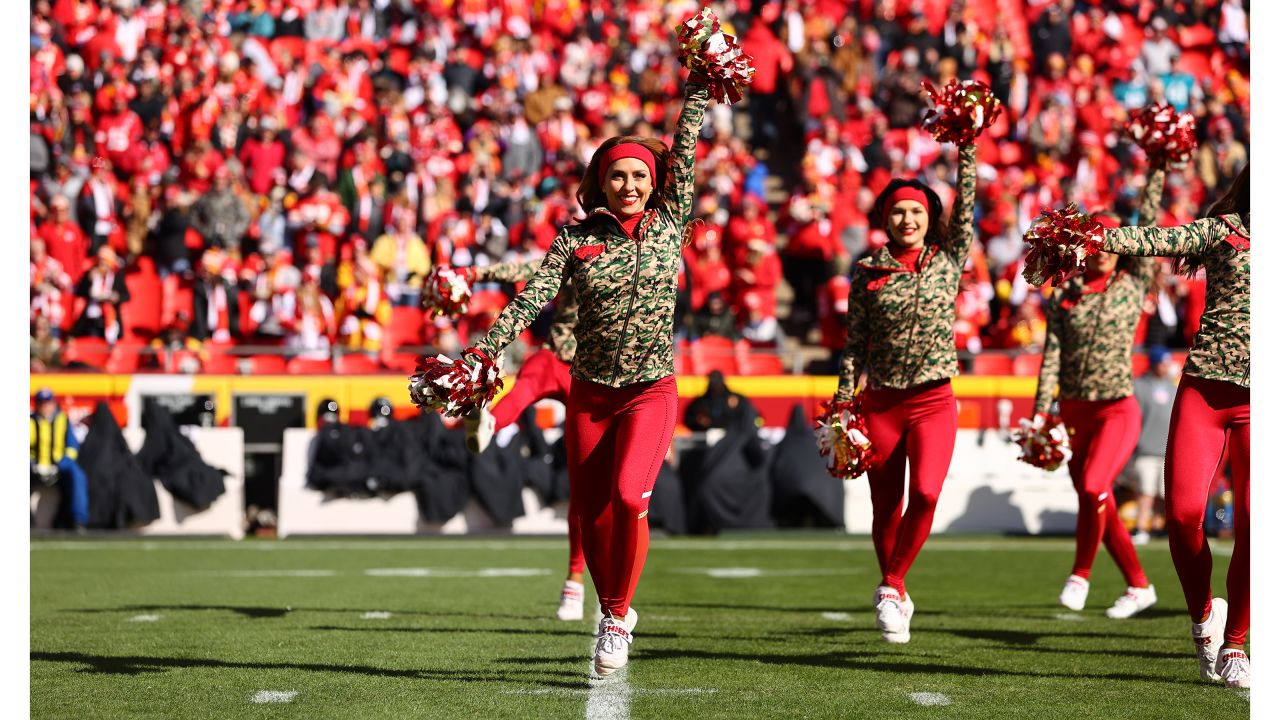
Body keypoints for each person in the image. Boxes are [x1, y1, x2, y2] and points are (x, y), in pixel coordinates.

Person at [469, 70, 712, 676]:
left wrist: (700, 85)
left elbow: (686, 146)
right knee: (593, 511)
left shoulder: (670, 224)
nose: (629, 185)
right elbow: (531, 300)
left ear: (656, 186)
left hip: (650, 391)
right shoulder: (573, 241)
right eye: (618, 175)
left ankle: (614, 616)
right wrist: (487, 350)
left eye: (639, 176)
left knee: (630, 498)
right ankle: (613, 608)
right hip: (590, 395)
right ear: (599, 182)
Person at [830, 101, 981, 644]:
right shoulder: (867, 271)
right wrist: (844, 403)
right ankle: (893, 584)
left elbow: (967, 209)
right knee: (884, 505)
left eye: (916, 211)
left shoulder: (948, 257)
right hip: (881, 405)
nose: (907, 219)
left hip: (934, 400)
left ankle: (892, 586)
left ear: (928, 217)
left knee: (927, 495)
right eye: (897, 211)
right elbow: (853, 347)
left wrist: (968, 145)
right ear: (884, 219)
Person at [1097, 164, 1250, 688]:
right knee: (1184, 516)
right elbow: (1159, 237)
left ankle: (1235, 645)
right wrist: (1090, 233)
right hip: (1205, 387)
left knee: (1256, 521)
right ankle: (1205, 615)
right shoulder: (1224, 229)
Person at [1031, 163, 1168, 619]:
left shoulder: (1132, 284)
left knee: (1094, 486)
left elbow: (1147, 226)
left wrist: (1158, 168)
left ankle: (1081, 574)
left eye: (1111, 241)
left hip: (1116, 408)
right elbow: (1050, 354)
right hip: (1073, 411)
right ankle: (1139, 585)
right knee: (1097, 501)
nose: (1103, 250)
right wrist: (1039, 414)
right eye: (1096, 240)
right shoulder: (1064, 292)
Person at [454, 258, 586, 622]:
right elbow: (533, 271)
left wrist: (476, 273)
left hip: (574, 366)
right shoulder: (588, 246)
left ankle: (492, 422)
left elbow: (525, 271)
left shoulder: (621, 251)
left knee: (521, 395)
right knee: (583, 484)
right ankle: (574, 581)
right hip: (577, 368)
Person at [1131, 345, 1177, 545]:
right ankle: (1141, 528)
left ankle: (1159, 528)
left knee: (1163, 494)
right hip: (1146, 449)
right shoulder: (1139, 386)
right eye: (1162, 363)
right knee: (1146, 491)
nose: (1166, 367)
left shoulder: (1172, 387)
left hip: (1167, 450)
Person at [30, 388, 90, 530]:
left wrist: (60, 465)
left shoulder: (62, 419)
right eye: (41, 403)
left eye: (48, 402)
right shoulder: (29, 421)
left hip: (58, 468)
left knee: (77, 475)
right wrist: (32, 464)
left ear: (53, 403)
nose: (45, 406)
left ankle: (78, 521)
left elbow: (72, 447)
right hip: (35, 467)